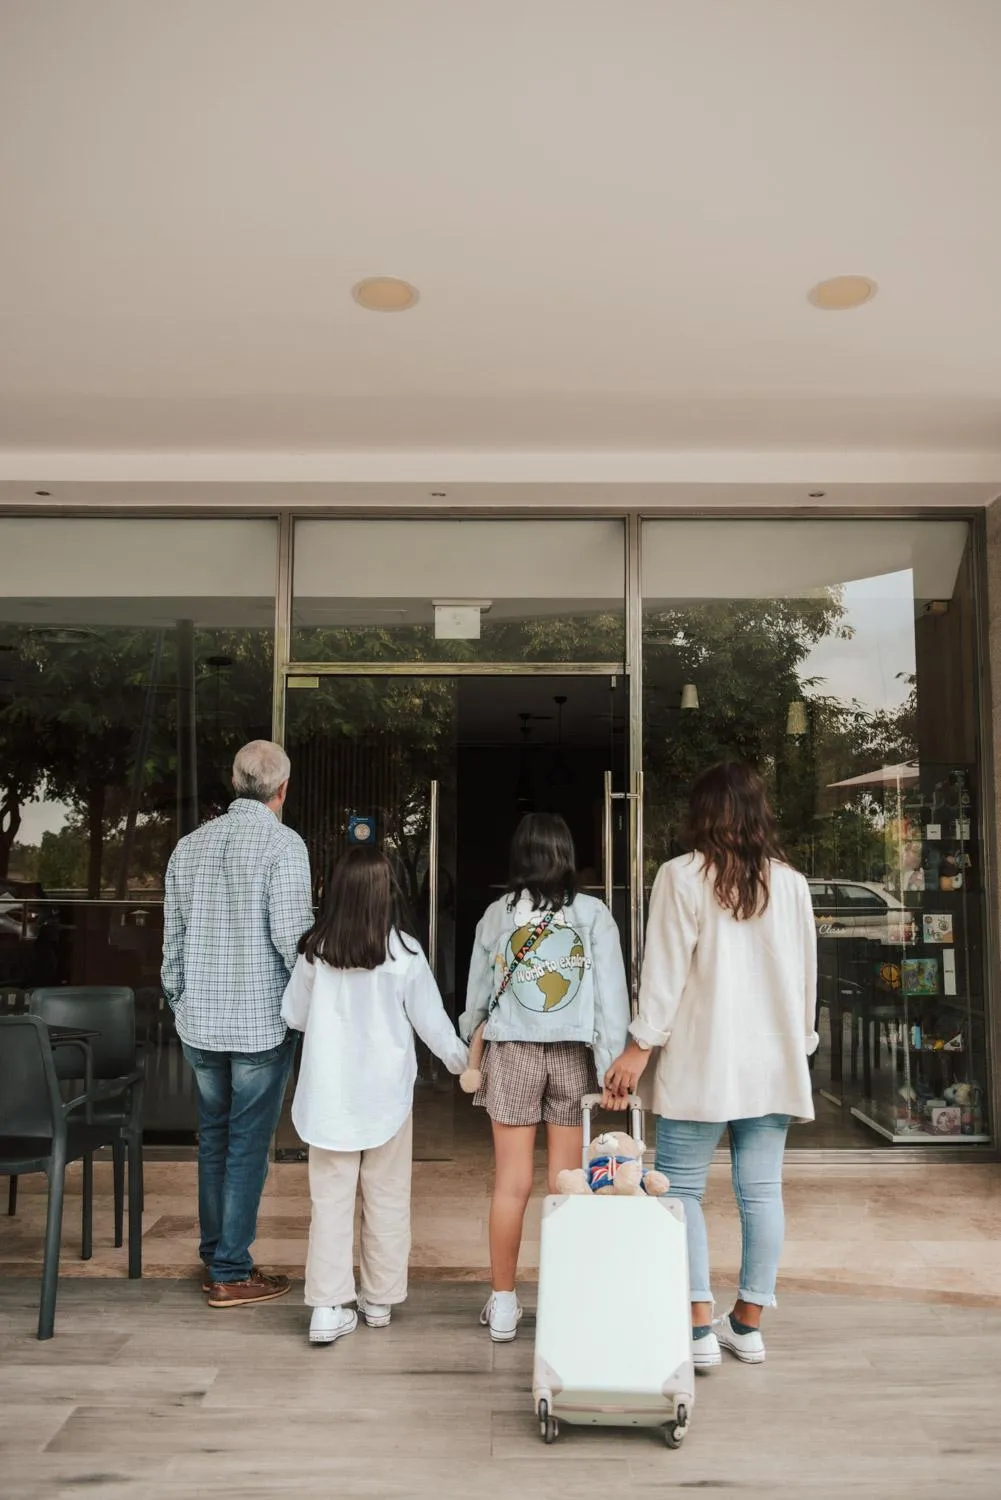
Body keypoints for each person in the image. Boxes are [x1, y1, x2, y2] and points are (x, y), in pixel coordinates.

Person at [604, 762, 817, 1370]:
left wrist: (638, 1048)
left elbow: (665, 973)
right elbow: (807, 978)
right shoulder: (792, 884)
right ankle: (746, 1324)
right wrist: (800, 1044)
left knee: (682, 1192)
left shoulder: (681, 876)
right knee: (762, 1192)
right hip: (772, 1062)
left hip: (701, 1059)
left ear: (703, 814)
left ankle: (698, 1327)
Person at [281, 845, 468, 1345]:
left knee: (331, 1201)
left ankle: (326, 1307)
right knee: (386, 1197)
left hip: (327, 1101)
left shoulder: (314, 951)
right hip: (385, 1100)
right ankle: (380, 1301)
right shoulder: (404, 952)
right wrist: (465, 1064)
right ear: (388, 894)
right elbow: (433, 1024)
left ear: (334, 892)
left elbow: (293, 1016)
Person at [460, 812, 630, 1342]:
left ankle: (505, 1304)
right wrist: (610, 1067)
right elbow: (611, 999)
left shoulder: (496, 916)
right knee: (566, 1185)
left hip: (511, 1054)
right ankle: (562, 1300)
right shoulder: (592, 914)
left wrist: (470, 1043)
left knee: (511, 1185)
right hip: (571, 1057)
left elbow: (475, 1000)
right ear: (565, 855)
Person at [162, 740, 314, 1309]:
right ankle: (229, 1269)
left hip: (199, 1021)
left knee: (213, 1139)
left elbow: (172, 939)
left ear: (234, 781)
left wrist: (179, 999)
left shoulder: (189, 847)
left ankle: (216, 1252)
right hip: (259, 1026)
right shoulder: (284, 846)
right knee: (247, 1145)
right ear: (283, 789)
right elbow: (290, 941)